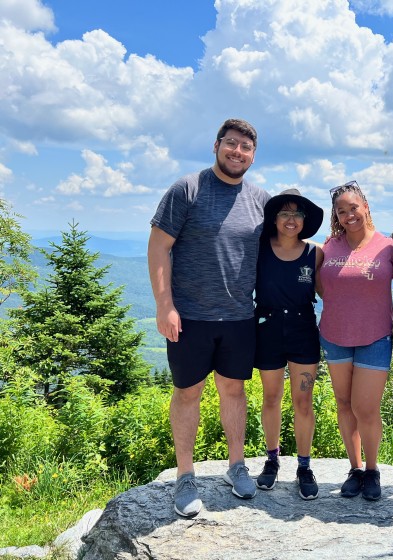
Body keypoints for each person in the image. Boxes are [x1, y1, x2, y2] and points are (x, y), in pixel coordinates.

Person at [147, 118, 270, 518]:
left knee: (234, 391)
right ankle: (185, 476)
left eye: (245, 148)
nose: (238, 152)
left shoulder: (260, 200)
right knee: (188, 393)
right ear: (216, 145)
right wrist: (165, 305)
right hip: (190, 318)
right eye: (231, 144)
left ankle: (237, 466)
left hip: (239, 318)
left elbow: (286, 242)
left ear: (253, 155)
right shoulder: (188, 189)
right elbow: (158, 247)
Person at [316, 181, 393, 501]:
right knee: (344, 404)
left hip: (375, 336)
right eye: (341, 210)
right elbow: (318, 286)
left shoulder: (387, 246)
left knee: (367, 408)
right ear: (335, 215)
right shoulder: (328, 247)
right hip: (335, 335)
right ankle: (355, 468)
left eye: (354, 208)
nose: (349, 215)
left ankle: (373, 469)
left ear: (366, 207)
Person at [253, 188, 324, 500]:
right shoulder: (260, 248)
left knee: (303, 401)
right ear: (275, 218)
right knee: (271, 397)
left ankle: (304, 466)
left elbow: (332, 289)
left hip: (303, 329)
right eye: (285, 213)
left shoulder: (315, 253)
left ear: (305, 219)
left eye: (297, 213)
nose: (291, 219)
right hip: (267, 328)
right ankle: (271, 460)